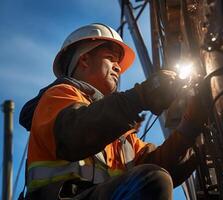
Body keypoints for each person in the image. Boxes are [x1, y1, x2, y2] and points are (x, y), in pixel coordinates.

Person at [19, 23, 202, 200]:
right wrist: (141, 96)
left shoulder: (119, 135)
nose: (118, 67)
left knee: (154, 179)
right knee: (152, 179)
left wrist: (191, 126)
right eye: (111, 58)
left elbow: (159, 166)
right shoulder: (58, 96)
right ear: (84, 60)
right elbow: (76, 132)